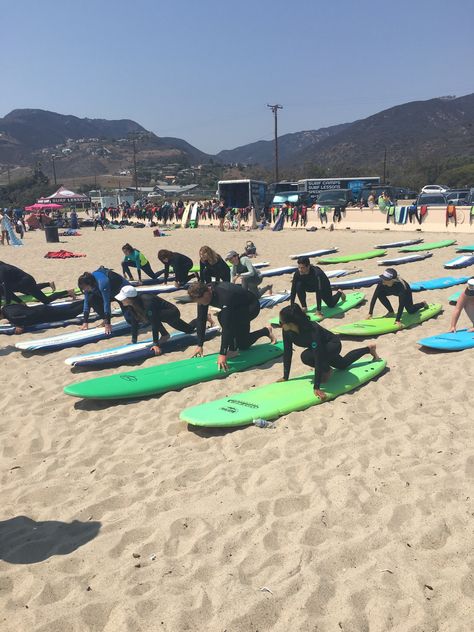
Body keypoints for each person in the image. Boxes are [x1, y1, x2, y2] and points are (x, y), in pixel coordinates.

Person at [278, 304, 380, 400]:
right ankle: (369, 349)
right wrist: (285, 377)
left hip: (332, 345)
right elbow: (287, 352)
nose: (280, 325)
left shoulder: (312, 330)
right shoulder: (287, 331)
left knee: (306, 356)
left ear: (291, 323)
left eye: (281, 322)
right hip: (320, 348)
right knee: (343, 364)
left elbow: (318, 356)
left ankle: (327, 370)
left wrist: (316, 386)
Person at [187, 281, 276, 371]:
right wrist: (200, 344)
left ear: (206, 293)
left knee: (223, 317)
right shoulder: (203, 296)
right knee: (243, 344)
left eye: (200, 302)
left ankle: (233, 350)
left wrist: (223, 353)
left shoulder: (224, 296)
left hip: (250, 307)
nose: (200, 304)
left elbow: (227, 327)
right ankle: (266, 331)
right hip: (236, 307)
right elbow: (201, 319)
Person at [115, 285, 197, 355]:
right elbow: (134, 321)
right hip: (161, 316)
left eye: (123, 298)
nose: (121, 300)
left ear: (130, 298)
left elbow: (154, 322)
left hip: (172, 313)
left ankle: (164, 335)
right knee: (189, 329)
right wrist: (134, 340)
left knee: (150, 316)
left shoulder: (146, 301)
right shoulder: (132, 304)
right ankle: (202, 319)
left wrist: (155, 344)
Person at [77, 267, 128, 335]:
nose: (84, 290)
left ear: (89, 284)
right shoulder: (87, 285)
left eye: (85, 288)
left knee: (130, 320)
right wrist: (85, 322)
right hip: (109, 293)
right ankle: (105, 319)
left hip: (121, 291)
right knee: (91, 299)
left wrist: (108, 324)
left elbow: (106, 303)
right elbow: (86, 302)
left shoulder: (102, 283)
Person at [0, 261, 70, 305]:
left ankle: (68, 291)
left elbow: (7, 288)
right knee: (4, 289)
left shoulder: (3, 270)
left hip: (26, 282)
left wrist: (8, 303)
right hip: (19, 284)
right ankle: (49, 284)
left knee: (46, 301)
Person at [1, 300, 85, 335]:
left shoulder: (12, 317)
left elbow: (29, 316)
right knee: (67, 308)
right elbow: (21, 306)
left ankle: (90, 301)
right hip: (40, 308)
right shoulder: (6, 307)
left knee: (70, 314)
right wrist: (13, 320)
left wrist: (20, 325)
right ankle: (85, 300)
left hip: (44, 314)